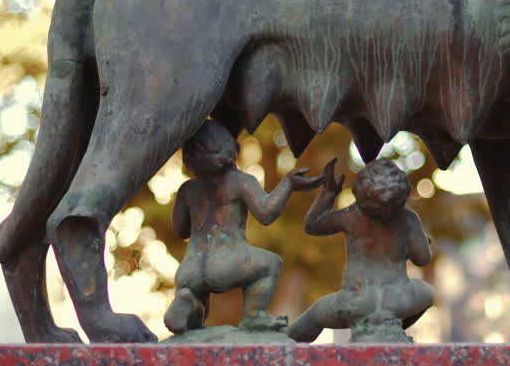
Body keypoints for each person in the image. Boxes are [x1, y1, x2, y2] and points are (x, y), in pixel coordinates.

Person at [164, 121, 323, 335]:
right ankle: (254, 316)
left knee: (197, 314)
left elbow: (180, 229)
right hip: (227, 262)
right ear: (230, 149)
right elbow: (266, 213)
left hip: (190, 268)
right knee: (270, 263)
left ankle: (187, 301)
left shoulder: (187, 189)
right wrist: (288, 184)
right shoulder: (240, 182)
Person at [287, 158, 434, 343]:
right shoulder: (409, 219)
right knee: (427, 292)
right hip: (398, 300)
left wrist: (329, 194)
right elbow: (423, 259)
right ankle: (387, 325)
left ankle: (284, 347)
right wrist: (423, 241)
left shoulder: (352, 216)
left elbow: (312, 225)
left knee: (316, 315)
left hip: (353, 301)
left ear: (360, 193)